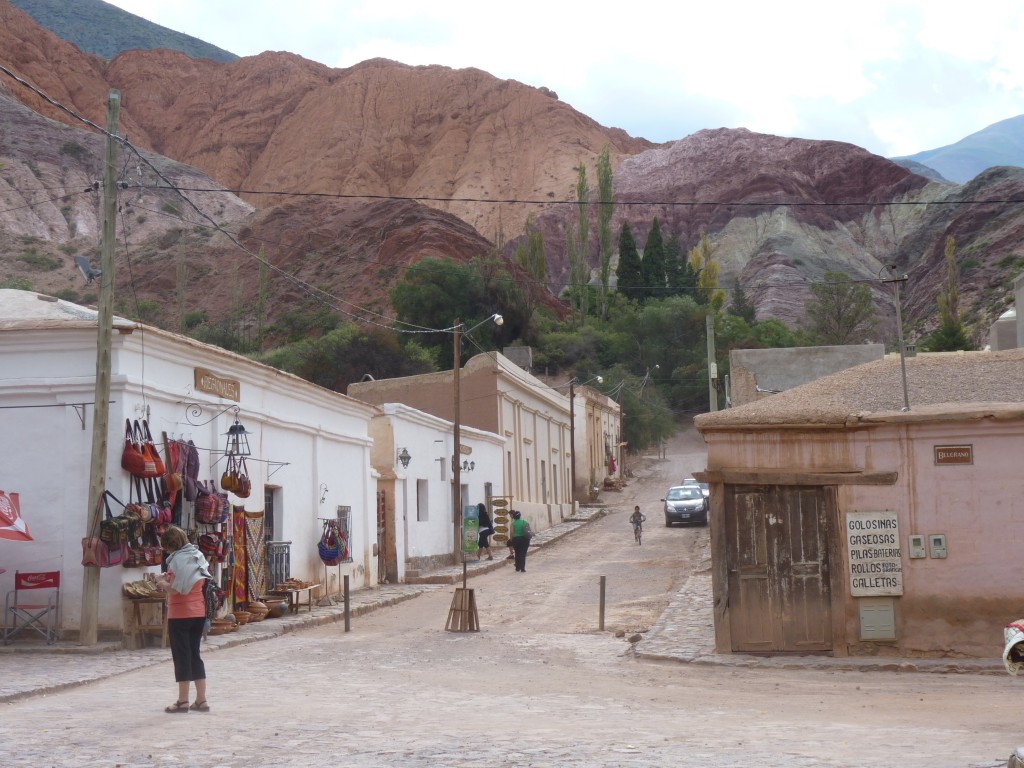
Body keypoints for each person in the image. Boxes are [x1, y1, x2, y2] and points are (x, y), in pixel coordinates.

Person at [155, 525, 212, 713]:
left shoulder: (177, 560)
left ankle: (182, 701)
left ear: (171, 545)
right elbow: (191, 580)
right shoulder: (198, 556)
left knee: (182, 656)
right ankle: (201, 700)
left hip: (180, 614)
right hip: (198, 612)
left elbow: (177, 589)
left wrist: (162, 582)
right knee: (195, 654)